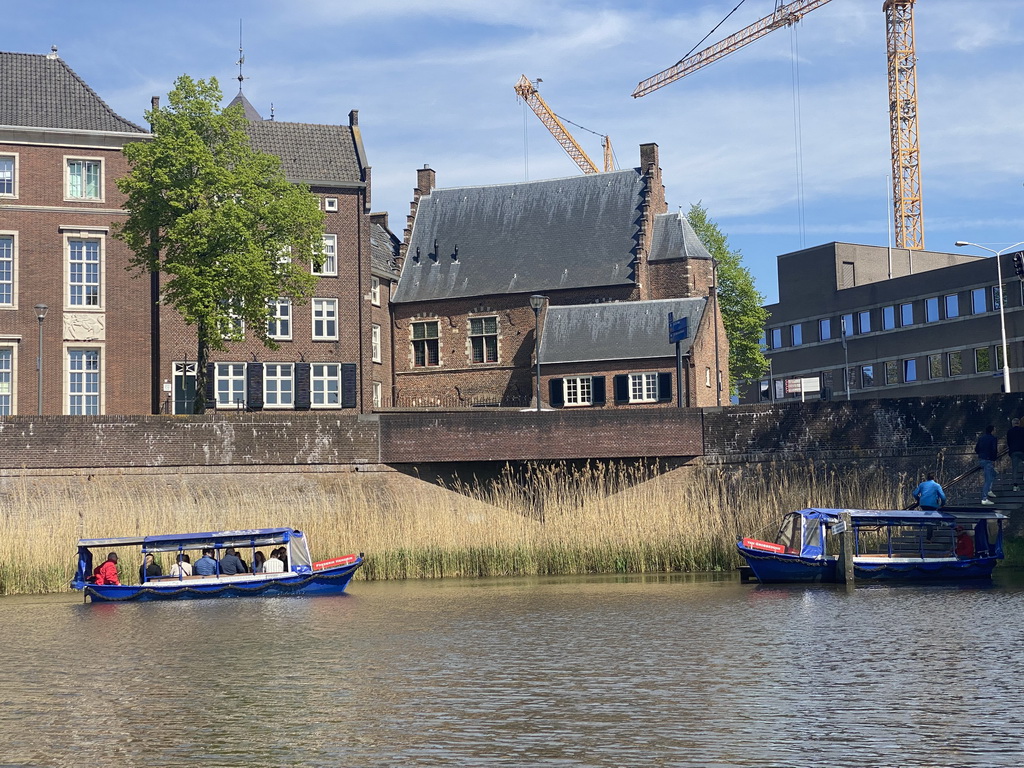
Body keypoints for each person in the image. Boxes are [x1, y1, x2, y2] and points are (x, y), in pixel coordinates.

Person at [976, 425, 999, 505]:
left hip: (982, 459)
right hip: (988, 460)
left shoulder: (981, 438)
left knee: (994, 474)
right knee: (988, 479)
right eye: (994, 430)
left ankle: (989, 490)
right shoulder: (993, 438)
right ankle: (984, 498)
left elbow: (976, 449)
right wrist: (993, 459)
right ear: (992, 431)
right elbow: (994, 449)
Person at [1007, 418, 1024, 491]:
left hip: (1013, 451)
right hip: (1022, 450)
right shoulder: (1023, 430)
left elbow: (1008, 442)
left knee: (1015, 468)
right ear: (1019, 423)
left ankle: (1015, 485)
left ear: (1012, 423)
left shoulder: (1009, 431)